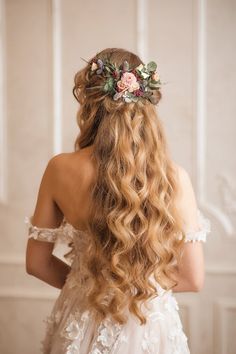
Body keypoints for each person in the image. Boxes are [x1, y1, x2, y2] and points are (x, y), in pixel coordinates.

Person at [25, 48, 211, 354]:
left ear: (89, 101)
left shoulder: (59, 168)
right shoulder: (174, 178)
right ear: (147, 103)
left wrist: (91, 289)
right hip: (148, 326)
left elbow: (37, 263)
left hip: (82, 318)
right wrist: (136, 291)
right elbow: (192, 278)